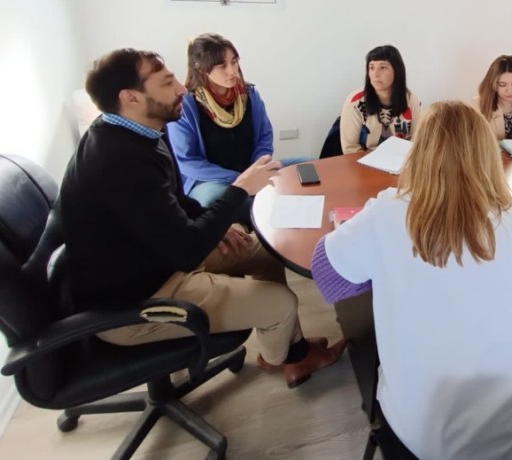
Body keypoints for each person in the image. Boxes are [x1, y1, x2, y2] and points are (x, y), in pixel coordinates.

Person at [60, 48, 346, 389]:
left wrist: (216, 223)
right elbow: (188, 251)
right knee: (283, 303)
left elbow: (172, 202)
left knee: (264, 249)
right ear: (130, 97)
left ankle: (287, 352)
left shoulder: (139, 131)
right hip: (135, 304)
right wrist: (239, 189)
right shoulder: (119, 161)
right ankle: (289, 353)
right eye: (167, 82)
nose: (182, 88)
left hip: (156, 259)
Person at [312, 101, 512, 459]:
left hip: (426, 440)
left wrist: (384, 264)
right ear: (488, 155)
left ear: (418, 156)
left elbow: (327, 277)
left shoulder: (388, 213)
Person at [166, 33, 309, 208]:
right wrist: (241, 178)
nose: (232, 71)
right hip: (212, 181)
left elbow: (264, 137)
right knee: (215, 199)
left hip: (253, 169)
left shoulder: (250, 94)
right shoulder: (186, 104)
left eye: (234, 62)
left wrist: (259, 167)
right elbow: (186, 161)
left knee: (312, 165)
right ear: (201, 67)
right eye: (222, 65)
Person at [340, 45, 421, 154]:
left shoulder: (412, 100)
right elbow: (350, 148)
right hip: (362, 164)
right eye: (371, 67)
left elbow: (417, 142)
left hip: (400, 163)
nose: (375, 74)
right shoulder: (355, 101)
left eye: (383, 67)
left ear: (397, 70)